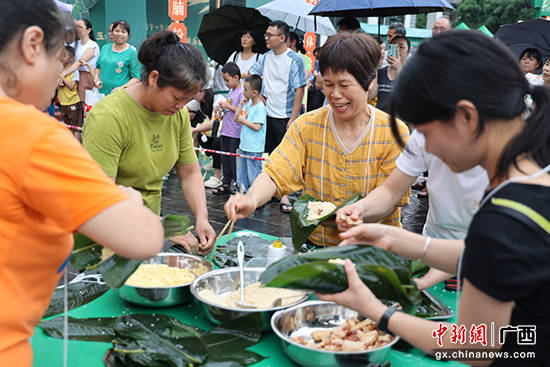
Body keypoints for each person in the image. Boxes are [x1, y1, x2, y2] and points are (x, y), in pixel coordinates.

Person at [319, 30, 550, 365]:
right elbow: (499, 257)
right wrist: (395, 238)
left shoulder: (501, 219)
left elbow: (476, 346)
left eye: (425, 133)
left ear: (467, 117)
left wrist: (377, 312)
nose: (427, 147)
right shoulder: (534, 182)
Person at [0, 1, 164, 365]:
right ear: (31, 44)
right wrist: (128, 200)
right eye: (61, 59)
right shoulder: (30, 132)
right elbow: (143, 238)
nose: (63, 74)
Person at [225, 32, 410, 247]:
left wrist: (356, 212)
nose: (335, 95)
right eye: (329, 85)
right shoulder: (307, 126)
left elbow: (391, 195)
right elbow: (276, 172)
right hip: (317, 247)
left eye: (344, 84)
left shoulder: (393, 132)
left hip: (374, 250)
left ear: (369, 82)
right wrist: (251, 199)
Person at [82, 30, 216, 255]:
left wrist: (202, 217)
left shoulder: (178, 115)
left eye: (187, 101)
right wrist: (162, 226)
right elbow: (102, 195)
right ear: (154, 79)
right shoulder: (108, 117)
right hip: (108, 233)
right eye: (176, 98)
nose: (181, 107)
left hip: (149, 232)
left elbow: (190, 171)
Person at [336, 128, 489, 290]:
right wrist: (360, 208)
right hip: (432, 252)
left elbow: (503, 241)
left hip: (490, 265)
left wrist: (396, 240)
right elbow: (391, 190)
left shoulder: (511, 146)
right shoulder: (427, 131)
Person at [249, 20, 306, 213]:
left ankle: (285, 196)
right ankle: (268, 191)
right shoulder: (265, 58)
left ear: (282, 38)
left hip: (285, 114)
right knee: (270, 154)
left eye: (269, 35)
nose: (266, 38)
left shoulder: (294, 59)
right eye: (266, 34)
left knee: (285, 156)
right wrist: (261, 95)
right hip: (267, 113)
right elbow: (252, 74)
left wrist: (293, 117)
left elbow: (300, 89)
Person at [212, 62, 244, 195]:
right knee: (225, 157)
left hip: (235, 132)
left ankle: (236, 184)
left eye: (227, 80)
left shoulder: (242, 92)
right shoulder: (231, 91)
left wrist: (228, 106)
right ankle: (225, 183)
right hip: (226, 129)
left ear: (236, 77)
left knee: (233, 159)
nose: (225, 83)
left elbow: (242, 111)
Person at [234, 74, 267, 193]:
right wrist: (240, 105)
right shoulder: (248, 105)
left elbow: (257, 127)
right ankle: (244, 194)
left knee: (253, 174)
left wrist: (244, 121)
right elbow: (236, 117)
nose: (243, 92)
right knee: (242, 173)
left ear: (254, 92)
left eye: (245, 90)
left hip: (254, 147)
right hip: (244, 145)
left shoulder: (260, 107)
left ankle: (255, 196)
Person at [94, 20, 140, 95]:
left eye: (123, 32)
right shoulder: (105, 48)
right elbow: (98, 67)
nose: (119, 34)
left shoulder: (132, 52)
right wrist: (96, 78)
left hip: (120, 94)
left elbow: (137, 77)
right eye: (117, 31)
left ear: (128, 35)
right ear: (111, 33)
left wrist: (122, 88)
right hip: (101, 93)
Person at [63, 19, 100, 103]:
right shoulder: (75, 43)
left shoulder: (92, 45)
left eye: (80, 27)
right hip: (73, 77)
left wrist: (63, 74)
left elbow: (80, 62)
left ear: (88, 30)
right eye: (76, 27)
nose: (77, 29)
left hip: (87, 77)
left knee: (85, 104)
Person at [373, 35, 411, 113]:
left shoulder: (413, 74)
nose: (397, 50)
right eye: (394, 46)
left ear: (408, 52)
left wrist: (399, 69)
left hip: (400, 121)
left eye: (401, 47)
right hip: (381, 120)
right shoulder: (381, 71)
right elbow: (371, 95)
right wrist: (375, 68)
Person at [57, 45, 84, 136]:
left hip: (73, 103)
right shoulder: (59, 70)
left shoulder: (74, 71)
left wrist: (62, 77)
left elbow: (72, 86)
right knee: (67, 128)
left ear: (71, 58)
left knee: (76, 128)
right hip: (63, 103)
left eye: (64, 55)